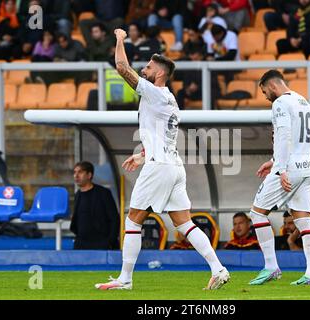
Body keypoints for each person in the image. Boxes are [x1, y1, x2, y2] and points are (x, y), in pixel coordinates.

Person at [94, 28, 230, 291]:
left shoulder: (156, 93)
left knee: (133, 220)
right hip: (172, 166)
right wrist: (142, 154)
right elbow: (163, 137)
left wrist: (120, 39)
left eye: (148, 66)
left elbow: (121, 66)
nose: (144, 68)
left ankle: (125, 279)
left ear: (159, 73)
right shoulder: (169, 100)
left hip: (160, 168)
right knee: (185, 223)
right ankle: (219, 269)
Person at [248, 69, 310, 286]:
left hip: (289, 168)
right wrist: (273, 159)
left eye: (264, 91)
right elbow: (297, 138)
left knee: (257, 214)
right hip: (306, 165)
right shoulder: (302, 100)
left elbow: (284, 135)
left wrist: (279, 169)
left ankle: (271, 267)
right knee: (303, 219)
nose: (265, 97)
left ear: (271, 86)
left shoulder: (279, 103)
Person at [70, 161, 120, 250]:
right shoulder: (78, 195)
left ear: (89, 175)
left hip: (101, 243)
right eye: (74, 172)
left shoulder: (103, 193)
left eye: (80, 172)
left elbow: (114, 219)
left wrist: (110, 241)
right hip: (81, 244)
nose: (76, 175)